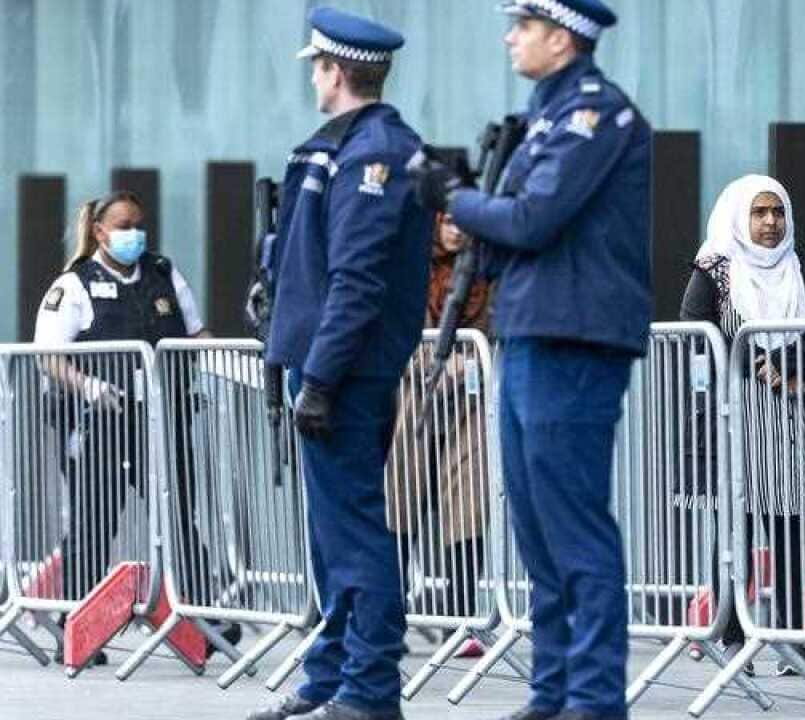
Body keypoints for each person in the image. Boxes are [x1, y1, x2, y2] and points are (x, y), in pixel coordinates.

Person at [416, 1, 652, 718]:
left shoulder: (593, 115)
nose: (509, 37)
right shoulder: (543, 118)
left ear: (562, 37)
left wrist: (455, 199)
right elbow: (508, 227)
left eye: (523, 26)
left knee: (572, 522)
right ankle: (553, 691)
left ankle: (593, 698)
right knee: (534, 525)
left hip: (573, 335)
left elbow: (532, 219)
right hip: (530, 329)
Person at [249, 8, 428, 720]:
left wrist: (320, 377)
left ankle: (371, 688)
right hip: (324, 360)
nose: (313, 77)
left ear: (335, 69)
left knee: (353, 533)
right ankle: (330, 676)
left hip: (345, 371)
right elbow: (310, 256)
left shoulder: (375, 151)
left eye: (318, 67)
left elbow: (357, 278)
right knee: (331, 538)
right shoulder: (336, 145)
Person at [33, 190, 239, 665]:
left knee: (179, 518)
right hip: (99, 420)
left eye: (138, 224)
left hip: (163, 419)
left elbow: (195, 334)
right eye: (123, 225)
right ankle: (76, 618)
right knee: (94, 518)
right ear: (100, 231)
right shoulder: (74, 284)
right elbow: (49, 356)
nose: (134, 234)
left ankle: (200, 614)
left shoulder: (163, 273)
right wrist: (88, 388)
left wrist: (225, 363)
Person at [677, 175, 805, 677]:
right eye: (759, 213)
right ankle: (732, 636)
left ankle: (789, 640)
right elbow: (695, 337)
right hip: (735, 418)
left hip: (791, 416)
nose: (770, 223)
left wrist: (793, 371)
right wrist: (753, 365)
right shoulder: (714, 272)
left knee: (793, 529)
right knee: (734, 531)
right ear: (738, 218)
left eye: (777, 212)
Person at [385, 214, 491, 659]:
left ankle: (459, 618)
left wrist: (473, 362)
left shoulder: (485, 269)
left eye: (464, 222)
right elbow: (393, 323)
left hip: (471, 394)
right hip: (412, 390)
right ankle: (387, 613)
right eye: (448, 221)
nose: (456, 230)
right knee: (401, 500)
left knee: (468, 501)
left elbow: (498, 323)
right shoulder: (411, 266)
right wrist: (429, 363)